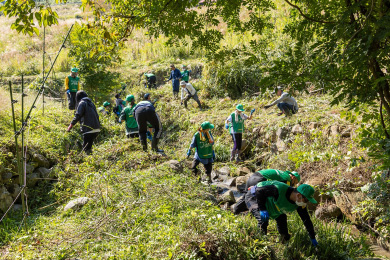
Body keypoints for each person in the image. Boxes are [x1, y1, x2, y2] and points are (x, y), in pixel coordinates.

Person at [245, 181, 318, 246]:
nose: (306, 203)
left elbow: (306, 220)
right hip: (254, 198)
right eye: (306, 200)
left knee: (282, 218)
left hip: (272, 205)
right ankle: (260, 244)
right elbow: (259, 191)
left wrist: (312, 237)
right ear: (299, 195)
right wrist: (262, 209)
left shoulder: (298, 204)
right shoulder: (279, 189)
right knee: (263, 221)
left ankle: (285, 241)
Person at [233, 170, 301, 214]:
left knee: (246, 197)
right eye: (295, 182)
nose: (294, 185)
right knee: (257, 199)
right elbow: (285, 192)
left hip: (253, 177)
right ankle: (256, 217)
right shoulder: (287, 179)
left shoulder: (282, 173)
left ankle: (234, 211)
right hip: (259, 180)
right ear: (293, 177)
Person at [66, 91, 101, 155]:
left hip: (88, 129)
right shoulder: (91, 103)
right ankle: (91, 159)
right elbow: (97, 116)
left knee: (85, 148)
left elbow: (78, 115)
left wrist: (70, 126)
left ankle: (86, 161)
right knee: (88, 146)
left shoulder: (82, 103)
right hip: (96, 128)